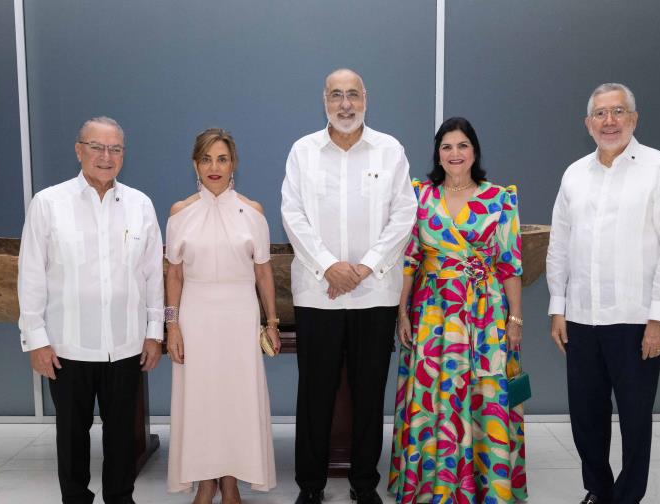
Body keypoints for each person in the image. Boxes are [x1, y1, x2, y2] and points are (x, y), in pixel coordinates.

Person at [546, 83, 660, 504]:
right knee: (585, 416)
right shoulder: (574, 173)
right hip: (582, 319)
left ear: (634, 118)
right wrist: (558, 308)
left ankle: (628, 496)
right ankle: (599, 490)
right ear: (588, 124)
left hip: (636, 318)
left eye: (618, 112)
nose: (610, 121)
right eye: (601, 114)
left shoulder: (659, 169)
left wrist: (659, 317)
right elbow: (560, 245)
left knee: (634, 417)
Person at [281, 68, 417, 504]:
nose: (345, 104)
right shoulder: (303, 152)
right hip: (317, 294)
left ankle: (364, 485)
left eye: (352, 95)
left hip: (374, 294)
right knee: (314, 395)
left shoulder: (390, 151)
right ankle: (311, 486)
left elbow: (404, 216)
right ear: (324, 99)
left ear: (366, 98)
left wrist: (363, 268)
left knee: (368, 393)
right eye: (336, 95)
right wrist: (329, 267)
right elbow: (293, 216)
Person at [18, 116, 164, 504]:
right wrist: (35, 340)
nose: (106, 156)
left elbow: (153, 274)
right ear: (79, 150)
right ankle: (75, 498)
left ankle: (120, 497)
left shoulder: (140, 205)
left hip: (127, 343)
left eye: (115, 149)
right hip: (66, 346)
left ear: (123, 155)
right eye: (97, 147)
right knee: (71, 433)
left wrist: (155, 332)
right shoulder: (48, 203)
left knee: (121, 434)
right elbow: (31, 274)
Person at [389, 117, 528, 504]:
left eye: (462, 145)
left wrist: (514, 319)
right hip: (433, 313)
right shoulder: (419, 195)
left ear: (474, 151)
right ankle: (433, 484)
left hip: (485, 313)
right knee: (435, 394)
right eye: (446, 146)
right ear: (437, 153)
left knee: (487, 391)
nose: (454, 154)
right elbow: (409, 260)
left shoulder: (501, 198)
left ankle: (489, 484)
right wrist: (401, 312)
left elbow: (510, 264)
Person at [165, 128, 279, 504]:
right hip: (196, 317)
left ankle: (230, 483)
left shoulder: (254, 212)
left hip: (239, 316)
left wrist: (272, 323)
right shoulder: (180, 213)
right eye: (206, 159)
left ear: (234, 165)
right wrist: (172, 324)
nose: (214, 167)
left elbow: (263, 272)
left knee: (236, 400)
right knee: (200, 401)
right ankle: (204, 482)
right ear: (195, 165)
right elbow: (174, 274)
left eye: (222, 159)